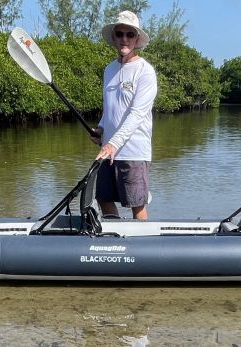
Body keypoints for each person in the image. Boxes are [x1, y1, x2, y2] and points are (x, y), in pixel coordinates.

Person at [92, 10, 157, 220]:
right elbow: (109, 108)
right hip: (108, 150)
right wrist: (101, 129)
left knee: (136, 204)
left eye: (130, 34)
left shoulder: (145, 71)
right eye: (120, 34)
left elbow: (137, 114)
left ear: (137, 39)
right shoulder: (108, 70)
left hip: (134, 151)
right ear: (113, 37)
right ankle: (117, 242)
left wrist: (113, 144)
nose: (124, 39)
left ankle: (144, 248)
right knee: (103, 198)